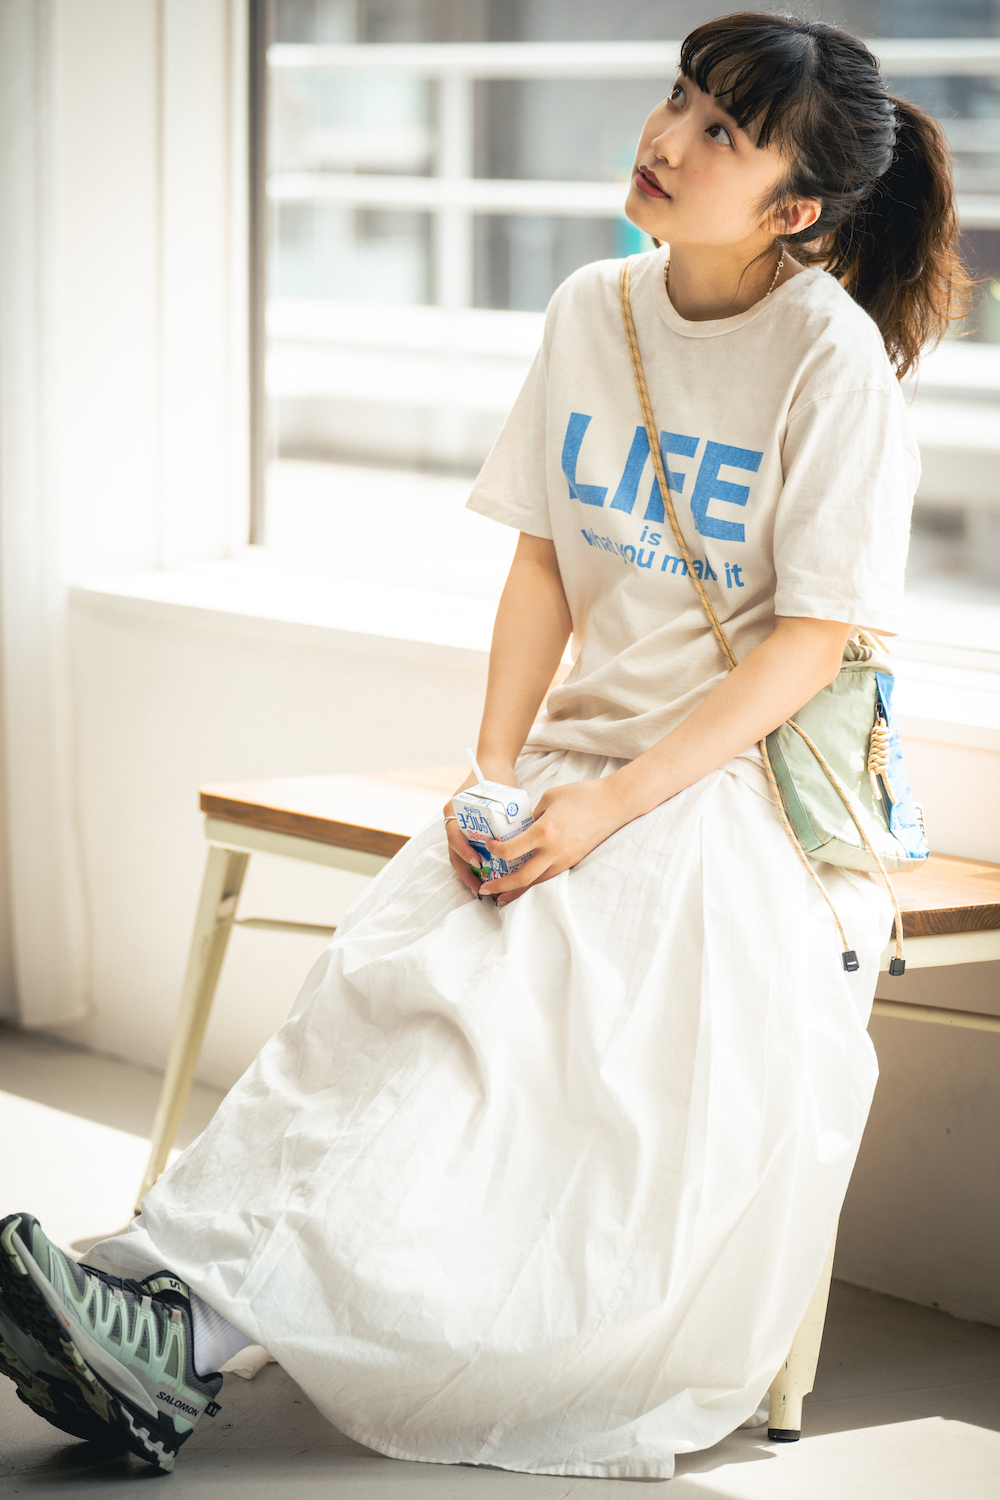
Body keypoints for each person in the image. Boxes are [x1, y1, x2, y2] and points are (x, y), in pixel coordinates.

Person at [0, 11, 971, 1479]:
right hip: (578, 767)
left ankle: (177, 1340)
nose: (668, 137)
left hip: (731, 798)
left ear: (796, 209)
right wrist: (497, 771)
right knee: (392, 978)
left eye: (723, 130)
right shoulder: (593, 309)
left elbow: (805, 648)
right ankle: (173, 1291)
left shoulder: (828, 363)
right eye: (678, 97)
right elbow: (541, 565)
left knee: (509, 1002)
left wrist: (603, 810)